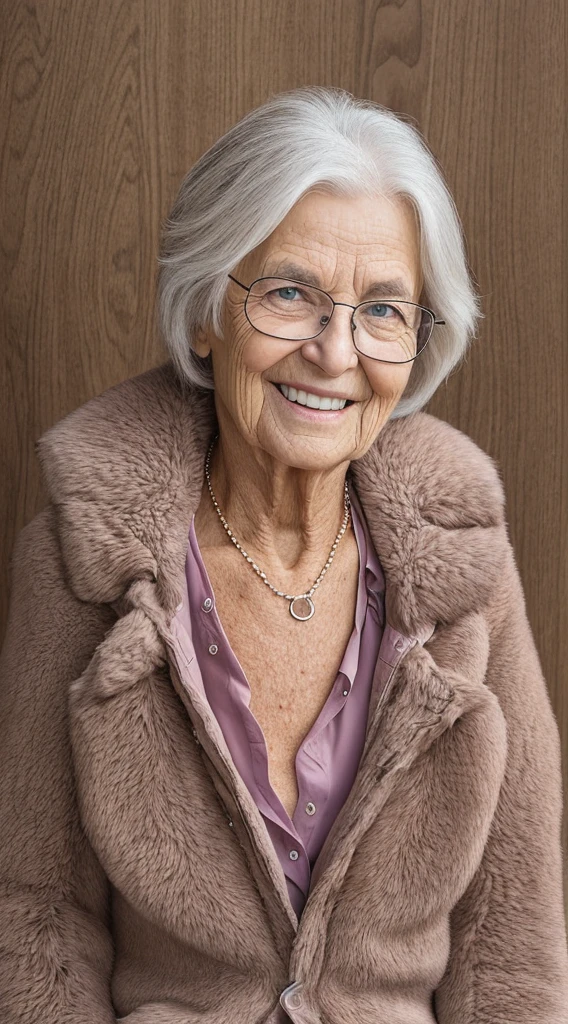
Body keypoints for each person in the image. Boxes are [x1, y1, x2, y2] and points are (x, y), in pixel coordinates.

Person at [1, 86, 566, 1024]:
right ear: (203, 314)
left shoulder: (468, 568)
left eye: (384, 310)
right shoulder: (83, 558)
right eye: (291, 293)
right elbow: (36, 915)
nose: (336, 351)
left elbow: (511, 935)